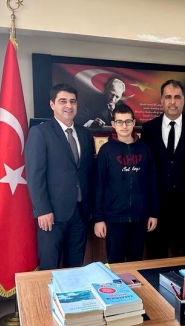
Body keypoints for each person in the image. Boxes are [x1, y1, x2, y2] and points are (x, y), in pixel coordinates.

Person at [24, 83, 95, 270]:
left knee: (75, 268)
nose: (68, 106)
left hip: (80, 213)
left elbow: (88, 172)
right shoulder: (40, 133)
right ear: (52, 104)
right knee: (49, 268)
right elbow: (34, 175)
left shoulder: (85, 134)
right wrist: (42, 210)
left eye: (73, 101)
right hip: (51, 215)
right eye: (63, 101)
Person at [140, 79, 185, 258]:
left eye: (177, 97)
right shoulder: (149, 129)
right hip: (157, 206)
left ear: (183, 100)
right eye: (168, 97)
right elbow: (145, 168)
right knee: (155, 256)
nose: (172, 102)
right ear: (161, 100)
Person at [93, 103, 159, 263]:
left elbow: (152, 182)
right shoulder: (106, 151)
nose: (124, 126)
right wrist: (98, 219)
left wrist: (154, 213)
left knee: (136, 262)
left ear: (134, 123)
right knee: (115, 263)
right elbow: (99, 186)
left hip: (140, 217)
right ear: (113, 124)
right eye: (120, 122)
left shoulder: (145, 148)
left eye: (128, 121)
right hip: (114, 218)